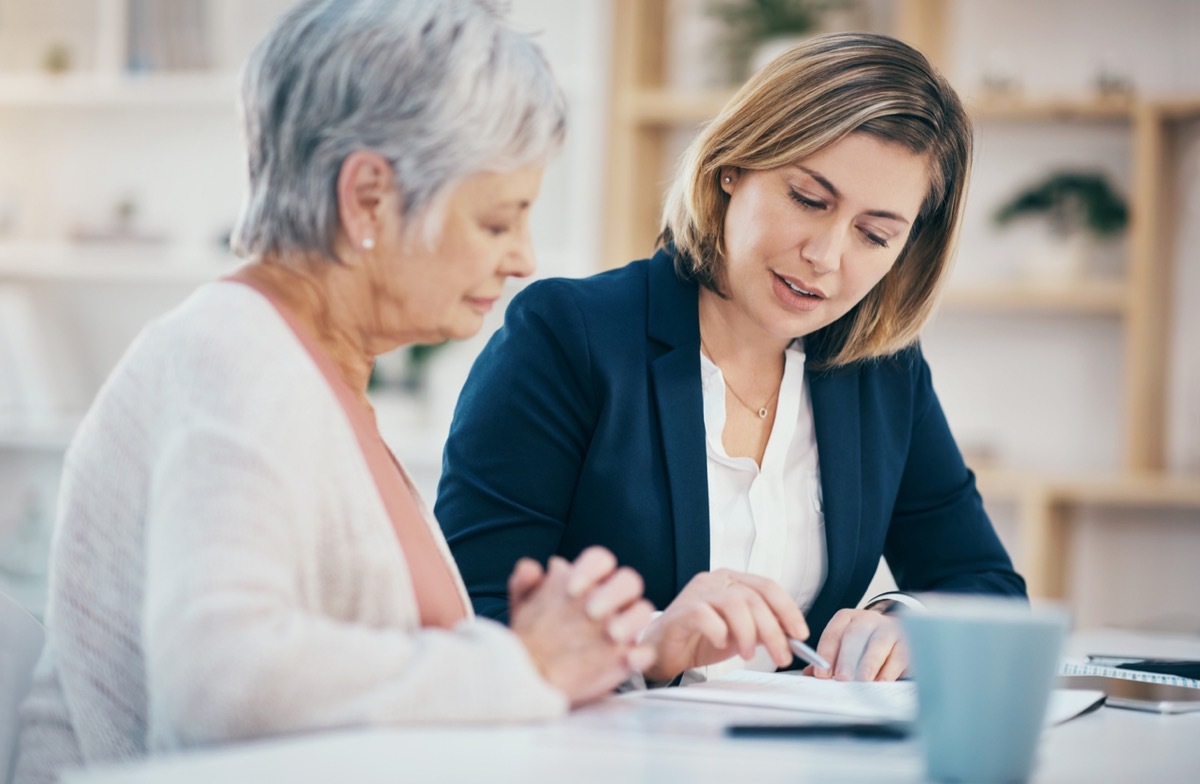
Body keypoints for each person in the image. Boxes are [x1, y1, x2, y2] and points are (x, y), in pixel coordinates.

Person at [14, 1, 657, 780]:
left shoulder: (309, 372)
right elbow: (222, 684)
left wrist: (600, 655)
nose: (522, 258)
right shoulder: (235, 358)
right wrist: (519, 666)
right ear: (368, 198)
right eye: (497, 222)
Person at [435, 32, 1026, 688]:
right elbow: (465, 619)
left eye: (874, 234)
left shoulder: (883, 374)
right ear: (733, 168)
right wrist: (652, 645)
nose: (827, 257)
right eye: (809, 199)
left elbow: (989, 591)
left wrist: (904, 621)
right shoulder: (566, 337)